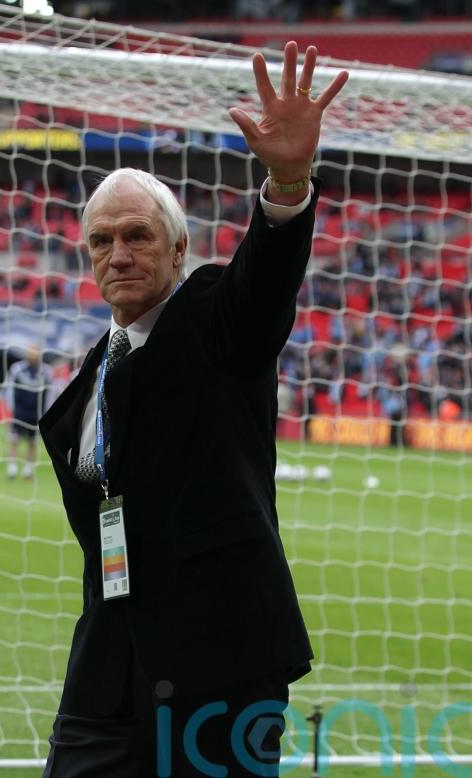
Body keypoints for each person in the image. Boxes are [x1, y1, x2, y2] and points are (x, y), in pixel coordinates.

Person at [39, 42, 349, 777]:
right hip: (107, 667)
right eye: (102, 241)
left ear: (178, 249)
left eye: (137, 236)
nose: (119, 254)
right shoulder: (88, 380)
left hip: (221, 666)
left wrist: (288, 182)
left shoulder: (214, 322)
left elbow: (261, 286)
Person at [6, 345, 51, 479]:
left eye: (35, 353)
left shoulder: (46, 372)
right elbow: (9, 388)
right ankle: (12, 468)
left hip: (36, 413)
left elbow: (50, 392)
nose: (33, 356)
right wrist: (11, 408)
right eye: (31, 353)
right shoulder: (17, 369)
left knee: (33, 441)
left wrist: (46, 411)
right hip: (20, 411)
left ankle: (28, 470)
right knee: (14, 439)